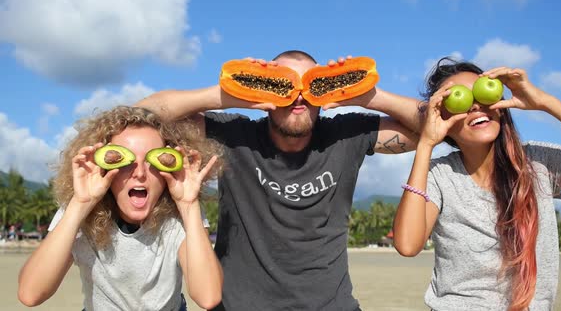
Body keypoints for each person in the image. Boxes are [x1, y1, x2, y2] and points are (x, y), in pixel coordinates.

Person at [135, 50, 422, 310]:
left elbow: (437, 128)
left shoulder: (346, 135)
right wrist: (230, 93)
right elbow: (140, 115)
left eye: (309, 86)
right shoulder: (234, 135)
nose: (298, 96)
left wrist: (364, 95)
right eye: (285, 85)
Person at [393, 57, 561, 310]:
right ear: (443, 119)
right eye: (460, 99)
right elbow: (408, 245)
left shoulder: (538, 164)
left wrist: (544, 102)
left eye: (481, 94)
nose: (475, 106)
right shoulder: (440, 175)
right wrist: (426, 144)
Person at [17, 106, 224, 310]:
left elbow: (208, 297)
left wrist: (189, 207)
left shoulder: (180, 213)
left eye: (154, 160)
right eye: (124, 160)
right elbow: (31, 294)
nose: (140, 173)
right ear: (102, 167)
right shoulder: (80, 210)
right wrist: (80, 205)